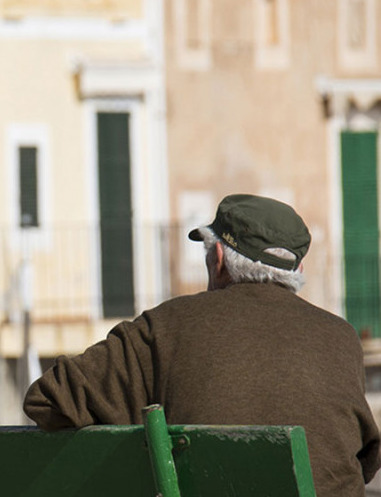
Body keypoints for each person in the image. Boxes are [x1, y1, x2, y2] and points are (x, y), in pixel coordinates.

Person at [23, 194, 381, 495]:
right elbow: (364, 458)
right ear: (298, 269)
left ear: (218, 259)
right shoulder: (341, 338)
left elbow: (46, 400)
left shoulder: (164, 327)